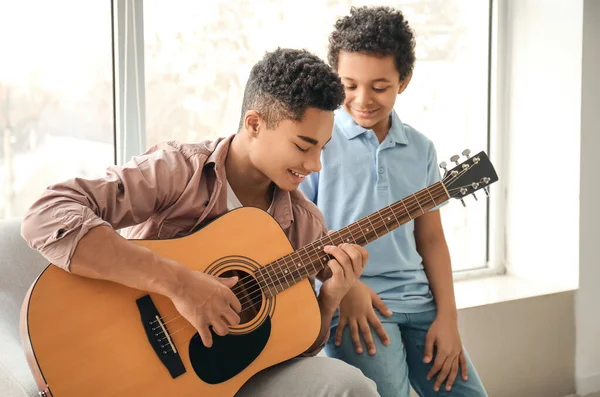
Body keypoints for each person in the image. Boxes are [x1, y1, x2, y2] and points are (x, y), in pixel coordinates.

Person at [21, 48, 379, 397]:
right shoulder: (178, 170)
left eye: (323, 148)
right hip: (126, 358)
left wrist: (330, 299)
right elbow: (47, 213)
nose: (315, 165)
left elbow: (288, 350)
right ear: (254, 124)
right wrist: (180, 284)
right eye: (303, 146)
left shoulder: (304, 223)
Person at [299, 6, 488, 397]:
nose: (362, 99)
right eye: (349, 85)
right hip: (355, 306)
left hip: (420, 303)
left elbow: (431, 239)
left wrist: (448, 319)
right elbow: (298, 232)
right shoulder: (319, 142)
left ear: (404, 81)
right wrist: (346, 289)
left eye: (379, 86)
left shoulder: (420, 149)